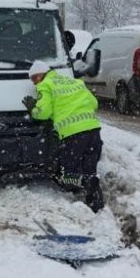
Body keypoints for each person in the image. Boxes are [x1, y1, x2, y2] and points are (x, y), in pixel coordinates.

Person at [23, 60, 105, 212]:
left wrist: (33, 109)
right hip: (93, 131)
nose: (34, 84)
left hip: (72, 135)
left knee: (66, 176)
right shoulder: (75, 82)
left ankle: (84, 183)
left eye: (34, 79)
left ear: (40, 75)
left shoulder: (45, 85)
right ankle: (96, 205)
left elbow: (44, 113)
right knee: (90, 169)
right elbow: (94, 103)